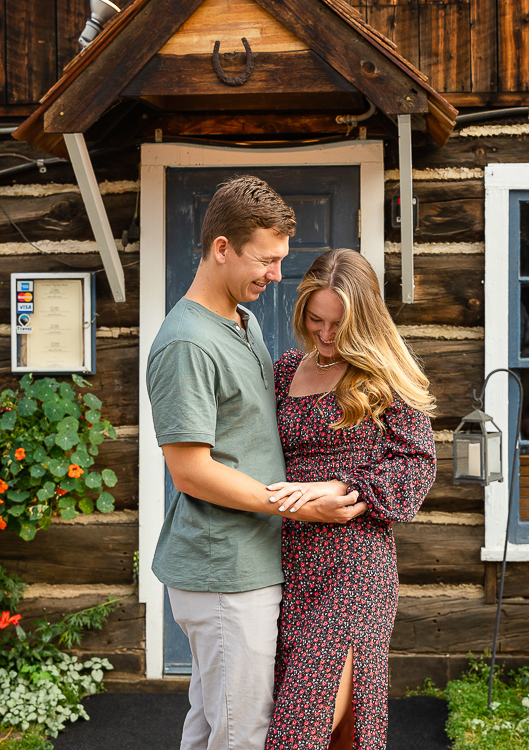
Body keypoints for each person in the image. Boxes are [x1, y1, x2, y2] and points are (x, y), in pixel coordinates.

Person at [146, 176, 367, 750]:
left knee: (212, 726)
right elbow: (189, 471)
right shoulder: (188, 342)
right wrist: (301, 507)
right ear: (222, 248)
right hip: (224, 571)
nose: (275, 275)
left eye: (279, 261)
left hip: (248, 562)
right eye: (265, 261)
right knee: (242, 736)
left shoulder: (241, 324)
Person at [263, 248, 437, 750]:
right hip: (286, 562)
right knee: (337, 728)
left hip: (354, 568)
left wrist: (343, 487)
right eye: (316, 319)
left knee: (301, 724)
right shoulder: (282, 372)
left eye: (339, 323)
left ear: (364, 318)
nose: (326, 334)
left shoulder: (385, 377)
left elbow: (416, 466)